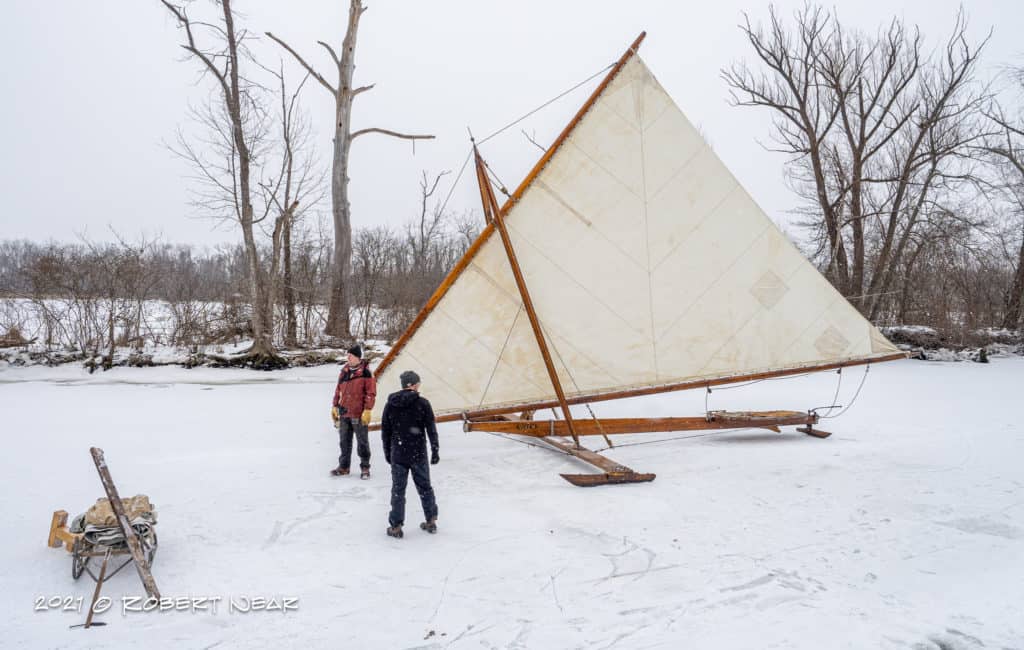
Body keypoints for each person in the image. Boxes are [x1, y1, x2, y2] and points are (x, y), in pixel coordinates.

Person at [380, 370, 439, 539]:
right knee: (425, 487)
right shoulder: (423, 403)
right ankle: (431, 520)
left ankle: (396, 526)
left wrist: (387, 453)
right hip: (418, 453)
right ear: (412, 385)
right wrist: (435, 450)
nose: (419, 386)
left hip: (398, 454)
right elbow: (431, 430)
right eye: (418, 383)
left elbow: (386, 432)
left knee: (398, 491)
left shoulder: (390, 404)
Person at [330, 344, 376, 479]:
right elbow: (338, 390)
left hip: (359, 413)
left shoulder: (366, 372)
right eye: (347, 355)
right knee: (344, 442)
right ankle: (344, 467)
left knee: (362, 443)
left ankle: (365, 468)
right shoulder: (344, 371)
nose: (348, 358)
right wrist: (334, 405)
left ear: (357, 357)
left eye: (350, 355)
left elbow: (371, 393)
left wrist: (367, 410)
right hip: (344, 412)